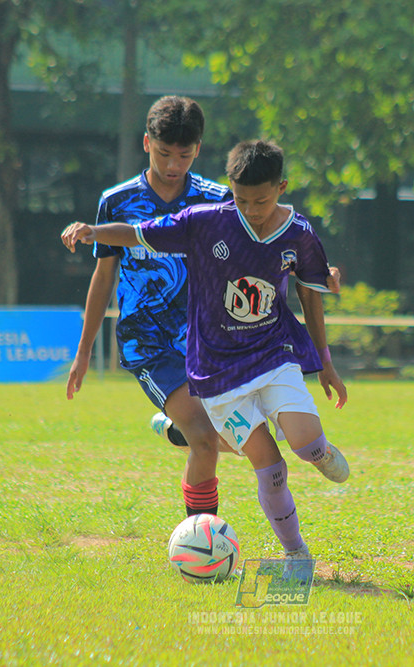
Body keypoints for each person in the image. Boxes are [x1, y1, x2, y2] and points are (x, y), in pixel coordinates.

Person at [62, 139, 349, 561]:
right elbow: (139, 234)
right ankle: (297, 554)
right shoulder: (206, 221)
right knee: (269, 468)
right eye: (241, 199)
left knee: (306, 444)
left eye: (262, 200)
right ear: (229, 188)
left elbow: (312, 291)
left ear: (282, 187)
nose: (251, 209)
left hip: (273, 354)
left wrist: (325, 363)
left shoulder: (300, 233)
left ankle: (318, 452)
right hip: (216, 374)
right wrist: (93, 231)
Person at [66, 96, 232, 519]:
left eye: (184, 154)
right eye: (163, 153)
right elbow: (103, 277)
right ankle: (201, 538)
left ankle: (173, 429)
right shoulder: (117, 202)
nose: (173, 164)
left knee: (241, 440)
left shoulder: (218, 200)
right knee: (206, 441)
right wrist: (84, 350)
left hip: (206, 340)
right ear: (146, 143)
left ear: (198, 148)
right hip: (149, 343)